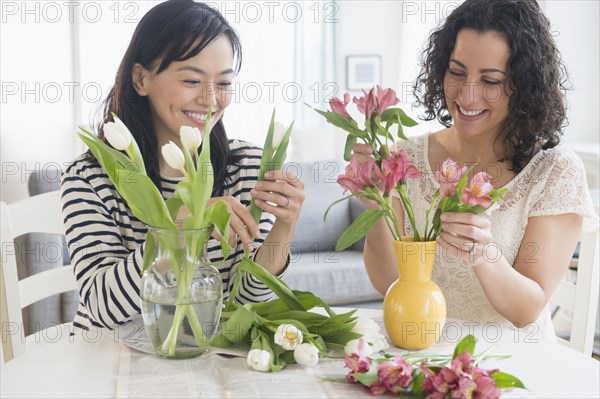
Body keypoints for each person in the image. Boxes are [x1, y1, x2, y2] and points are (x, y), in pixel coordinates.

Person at [355, 0, 596, 341]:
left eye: (490, 80)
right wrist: (376, 202)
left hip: (513, 364)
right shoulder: (404, 157)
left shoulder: (554, 171)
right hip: (418, 351)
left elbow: (527, 310)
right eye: (457, 72)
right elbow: (386, 281)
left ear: (523, 86)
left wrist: (484, 254)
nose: (467, 96)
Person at [60, 0, 304, 332]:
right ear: (141, 79)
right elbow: (103, 307)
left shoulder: (247, 166)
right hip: (109, 361)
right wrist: (180, 226)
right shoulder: (90, 178)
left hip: (203, 359)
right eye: (192, 81)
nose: (210, 98)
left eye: (223, 83)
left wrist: (284, 228)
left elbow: (246, 305)